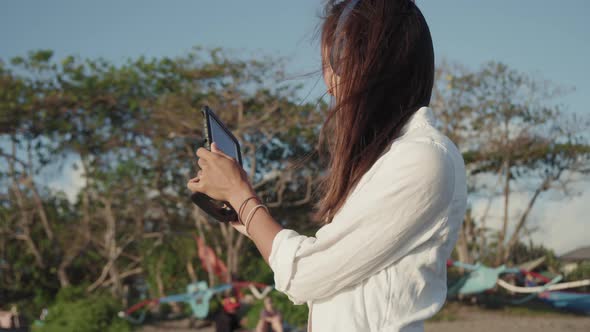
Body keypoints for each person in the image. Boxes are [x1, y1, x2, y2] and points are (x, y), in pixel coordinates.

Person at [187, 0, 467, 331]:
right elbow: (323, 268)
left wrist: (242, 195)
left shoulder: (423, 158)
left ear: (365, 61)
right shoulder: (390, 159)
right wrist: (238, 206)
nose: (329, 81)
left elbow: (305, 275)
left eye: (332, 61)